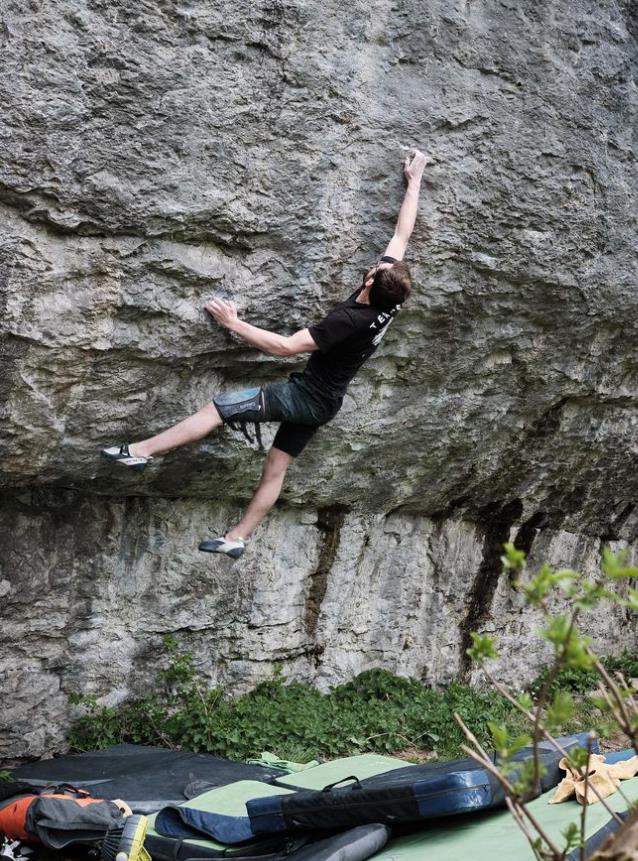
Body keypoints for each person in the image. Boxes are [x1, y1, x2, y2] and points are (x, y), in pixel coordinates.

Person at [102, 149, 428, 559]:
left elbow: (285, 346)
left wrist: (232, 322)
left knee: (220, 407)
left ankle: (141, 452)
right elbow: (401, 236)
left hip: (305, 397)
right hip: (326, 402)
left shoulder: (348, 320)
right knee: (276, 467)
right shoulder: (389, 300)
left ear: (369, 281)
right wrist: (414, 181)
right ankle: (236, 538)